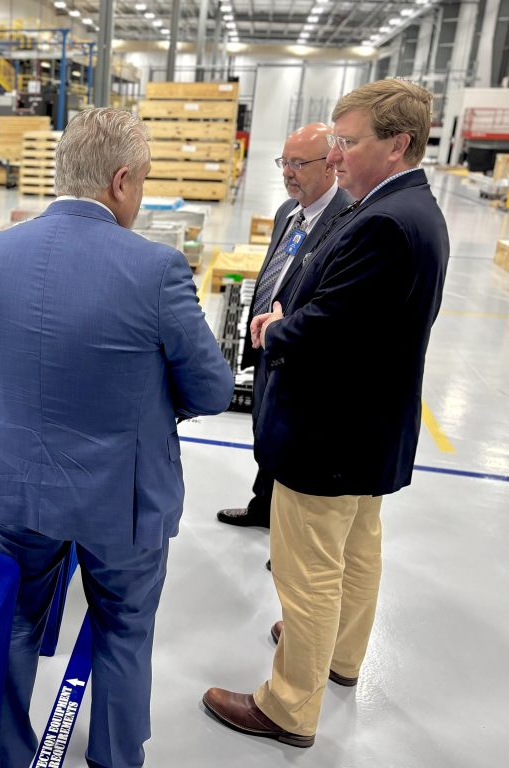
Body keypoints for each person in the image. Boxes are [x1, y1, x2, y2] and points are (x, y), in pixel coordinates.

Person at [0, 107, 234, 768]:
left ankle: (6, 754)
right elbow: (213, 390)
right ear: (121, 181)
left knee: (17, 619)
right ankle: (113, 757)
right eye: (143, 181)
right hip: (121, 497)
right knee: (123, 626)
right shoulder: (156, 269)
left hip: (18, 483)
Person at [203, 79, 449, 747]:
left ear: (397, 144)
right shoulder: (412, 210)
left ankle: (287, 706)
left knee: (307, 570)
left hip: (329, 433)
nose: (335, 155)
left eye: (347, 142)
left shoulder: (382, 224)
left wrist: (276, 328)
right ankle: (340, 656)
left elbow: (330, 328)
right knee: (358, 549)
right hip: (370, 429)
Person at [217, 123, 353, 530]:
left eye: (298, 163)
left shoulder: (345, 219)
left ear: (329, 165)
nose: (288, 172)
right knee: (265, 430)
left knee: (291, 443)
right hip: (269, 344)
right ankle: (263, 507)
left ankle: (289, 538)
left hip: (300, 353)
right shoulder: (288, 213)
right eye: (284, 162)